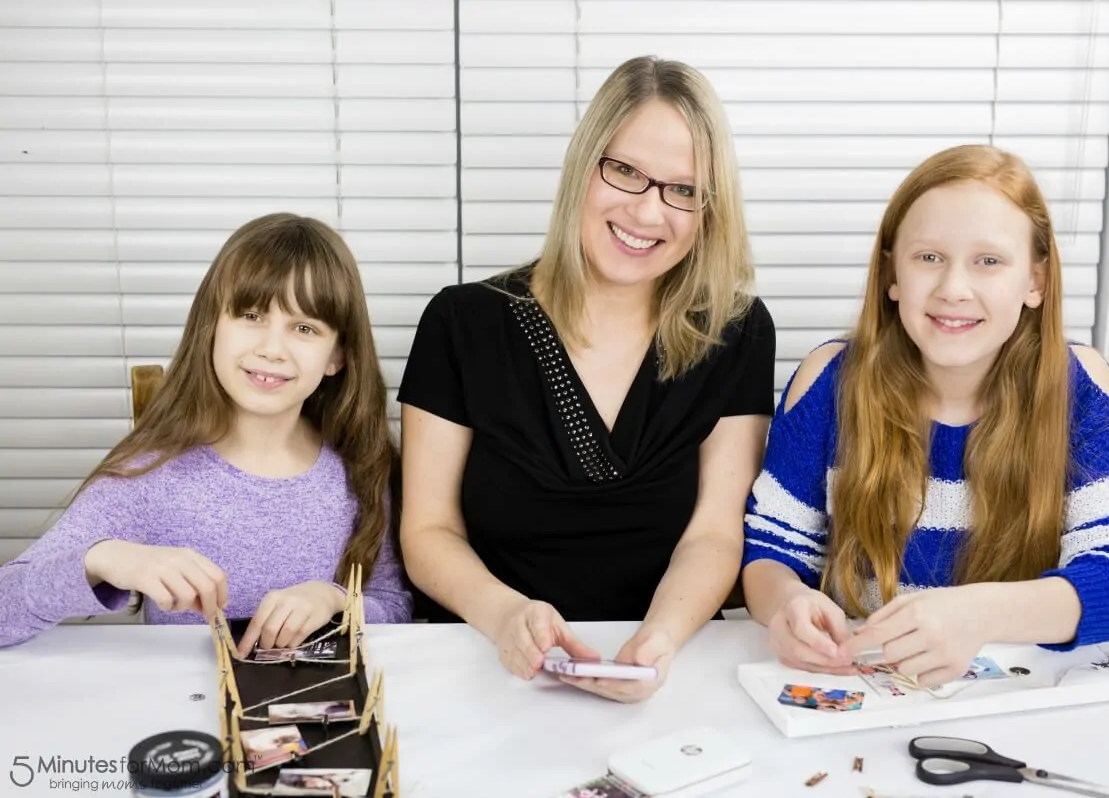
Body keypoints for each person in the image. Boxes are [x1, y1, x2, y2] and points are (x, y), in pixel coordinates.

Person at [398, 56, 775, 702]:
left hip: (668, 672)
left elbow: (714, 531)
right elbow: (427, 531)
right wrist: (505, 616)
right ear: (583, 165)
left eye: (683, 190)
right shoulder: (461, 322)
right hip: (489, 671)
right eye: (625, 171)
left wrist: (657, 641)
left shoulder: (737, 332)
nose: (647, 212)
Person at [741, 144, 1109, 688]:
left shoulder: (1080, 386)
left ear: (1034, 282)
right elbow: (771, 553)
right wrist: (788, 604)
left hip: (1018, 698)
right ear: (892, 275)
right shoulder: (829, 381)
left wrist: (976, 613)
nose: (953, 290)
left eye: (988, 261)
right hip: (862, 690)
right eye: (929, 258)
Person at [0, 213, 412, 651]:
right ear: (211, 327)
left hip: (316, 713)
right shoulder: (150, 472)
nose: (272, 349)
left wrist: (337, 600)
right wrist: (104, 559)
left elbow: (394, 603)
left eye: (305, 328)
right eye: (251, 315)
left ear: (338, 356)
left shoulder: (362, 465)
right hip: (179, 710)